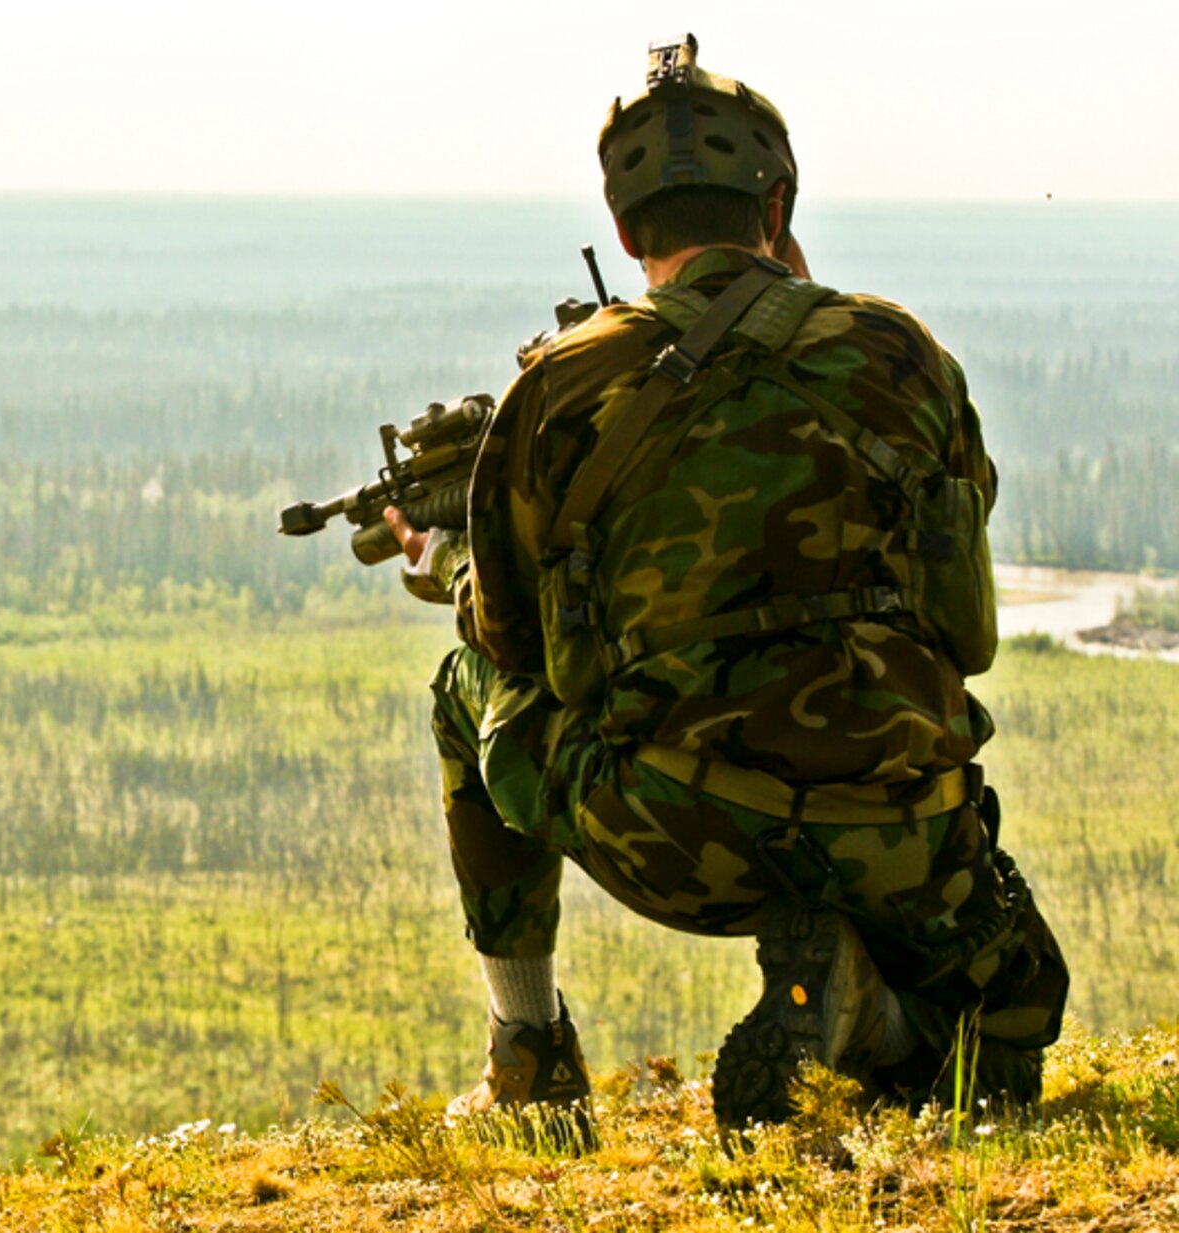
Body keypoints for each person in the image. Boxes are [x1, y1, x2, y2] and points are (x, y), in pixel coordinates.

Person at [388, 35, 1069, 1130]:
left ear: (620, 230)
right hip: (898, 828)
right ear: (779, 201)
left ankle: (527, 1049)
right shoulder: (902, 354)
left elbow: (509, 640)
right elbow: (963, 633)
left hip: (677, 834)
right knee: (1005, 1035)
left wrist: (450, 557)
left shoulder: (561, 385)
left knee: (462, 684)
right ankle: (874, 1010)